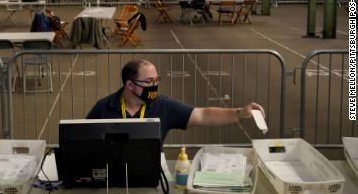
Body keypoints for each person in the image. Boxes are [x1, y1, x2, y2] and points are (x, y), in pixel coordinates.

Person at [86, 59, 266, 142]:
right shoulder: (104, 107)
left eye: (156, 80)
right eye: (149, 82)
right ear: (130, 85)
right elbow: (82, 139)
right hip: (112, 176)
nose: (154, 86)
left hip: (151, 172)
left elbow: (203, 115)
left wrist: (240, 113)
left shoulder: (163, 105)